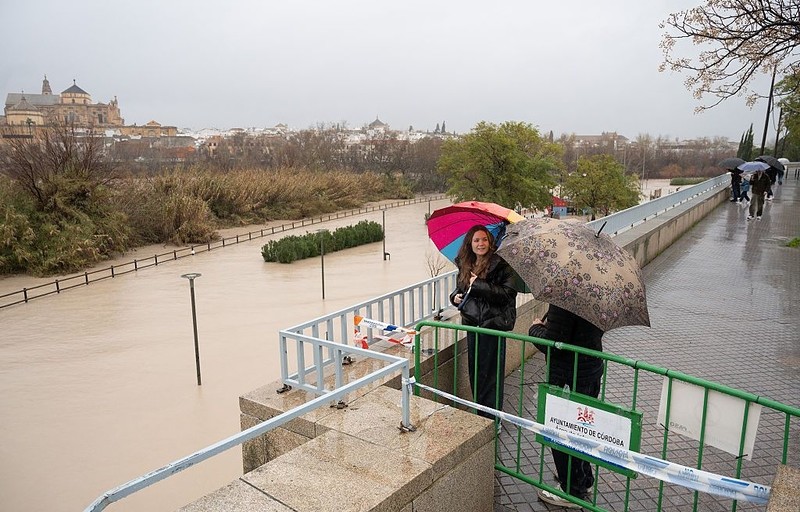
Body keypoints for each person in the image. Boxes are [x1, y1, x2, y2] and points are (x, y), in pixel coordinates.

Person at [528, 304, 605, 508]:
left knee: (561, 431)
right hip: (590, 370)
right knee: (581, 430)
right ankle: (583, 479)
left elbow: (555, 343)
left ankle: (571, 490)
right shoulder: (595, 297)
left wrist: (535, 328)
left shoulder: (565, 302)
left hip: (568, 376)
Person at [449, 225, 518, 424]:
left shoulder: (502, 264)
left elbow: (507, 295)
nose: (480, 244)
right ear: (470, 244)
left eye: (484, 240)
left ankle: (493, 419)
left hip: (493, 325)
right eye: (476, 240)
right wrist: (455, 297)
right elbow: (458, 290)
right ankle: (481, 415)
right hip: (472, 325)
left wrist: (478, 284)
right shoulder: (466, 264)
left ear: (490, 241)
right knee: (476, 373)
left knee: (491, 375)